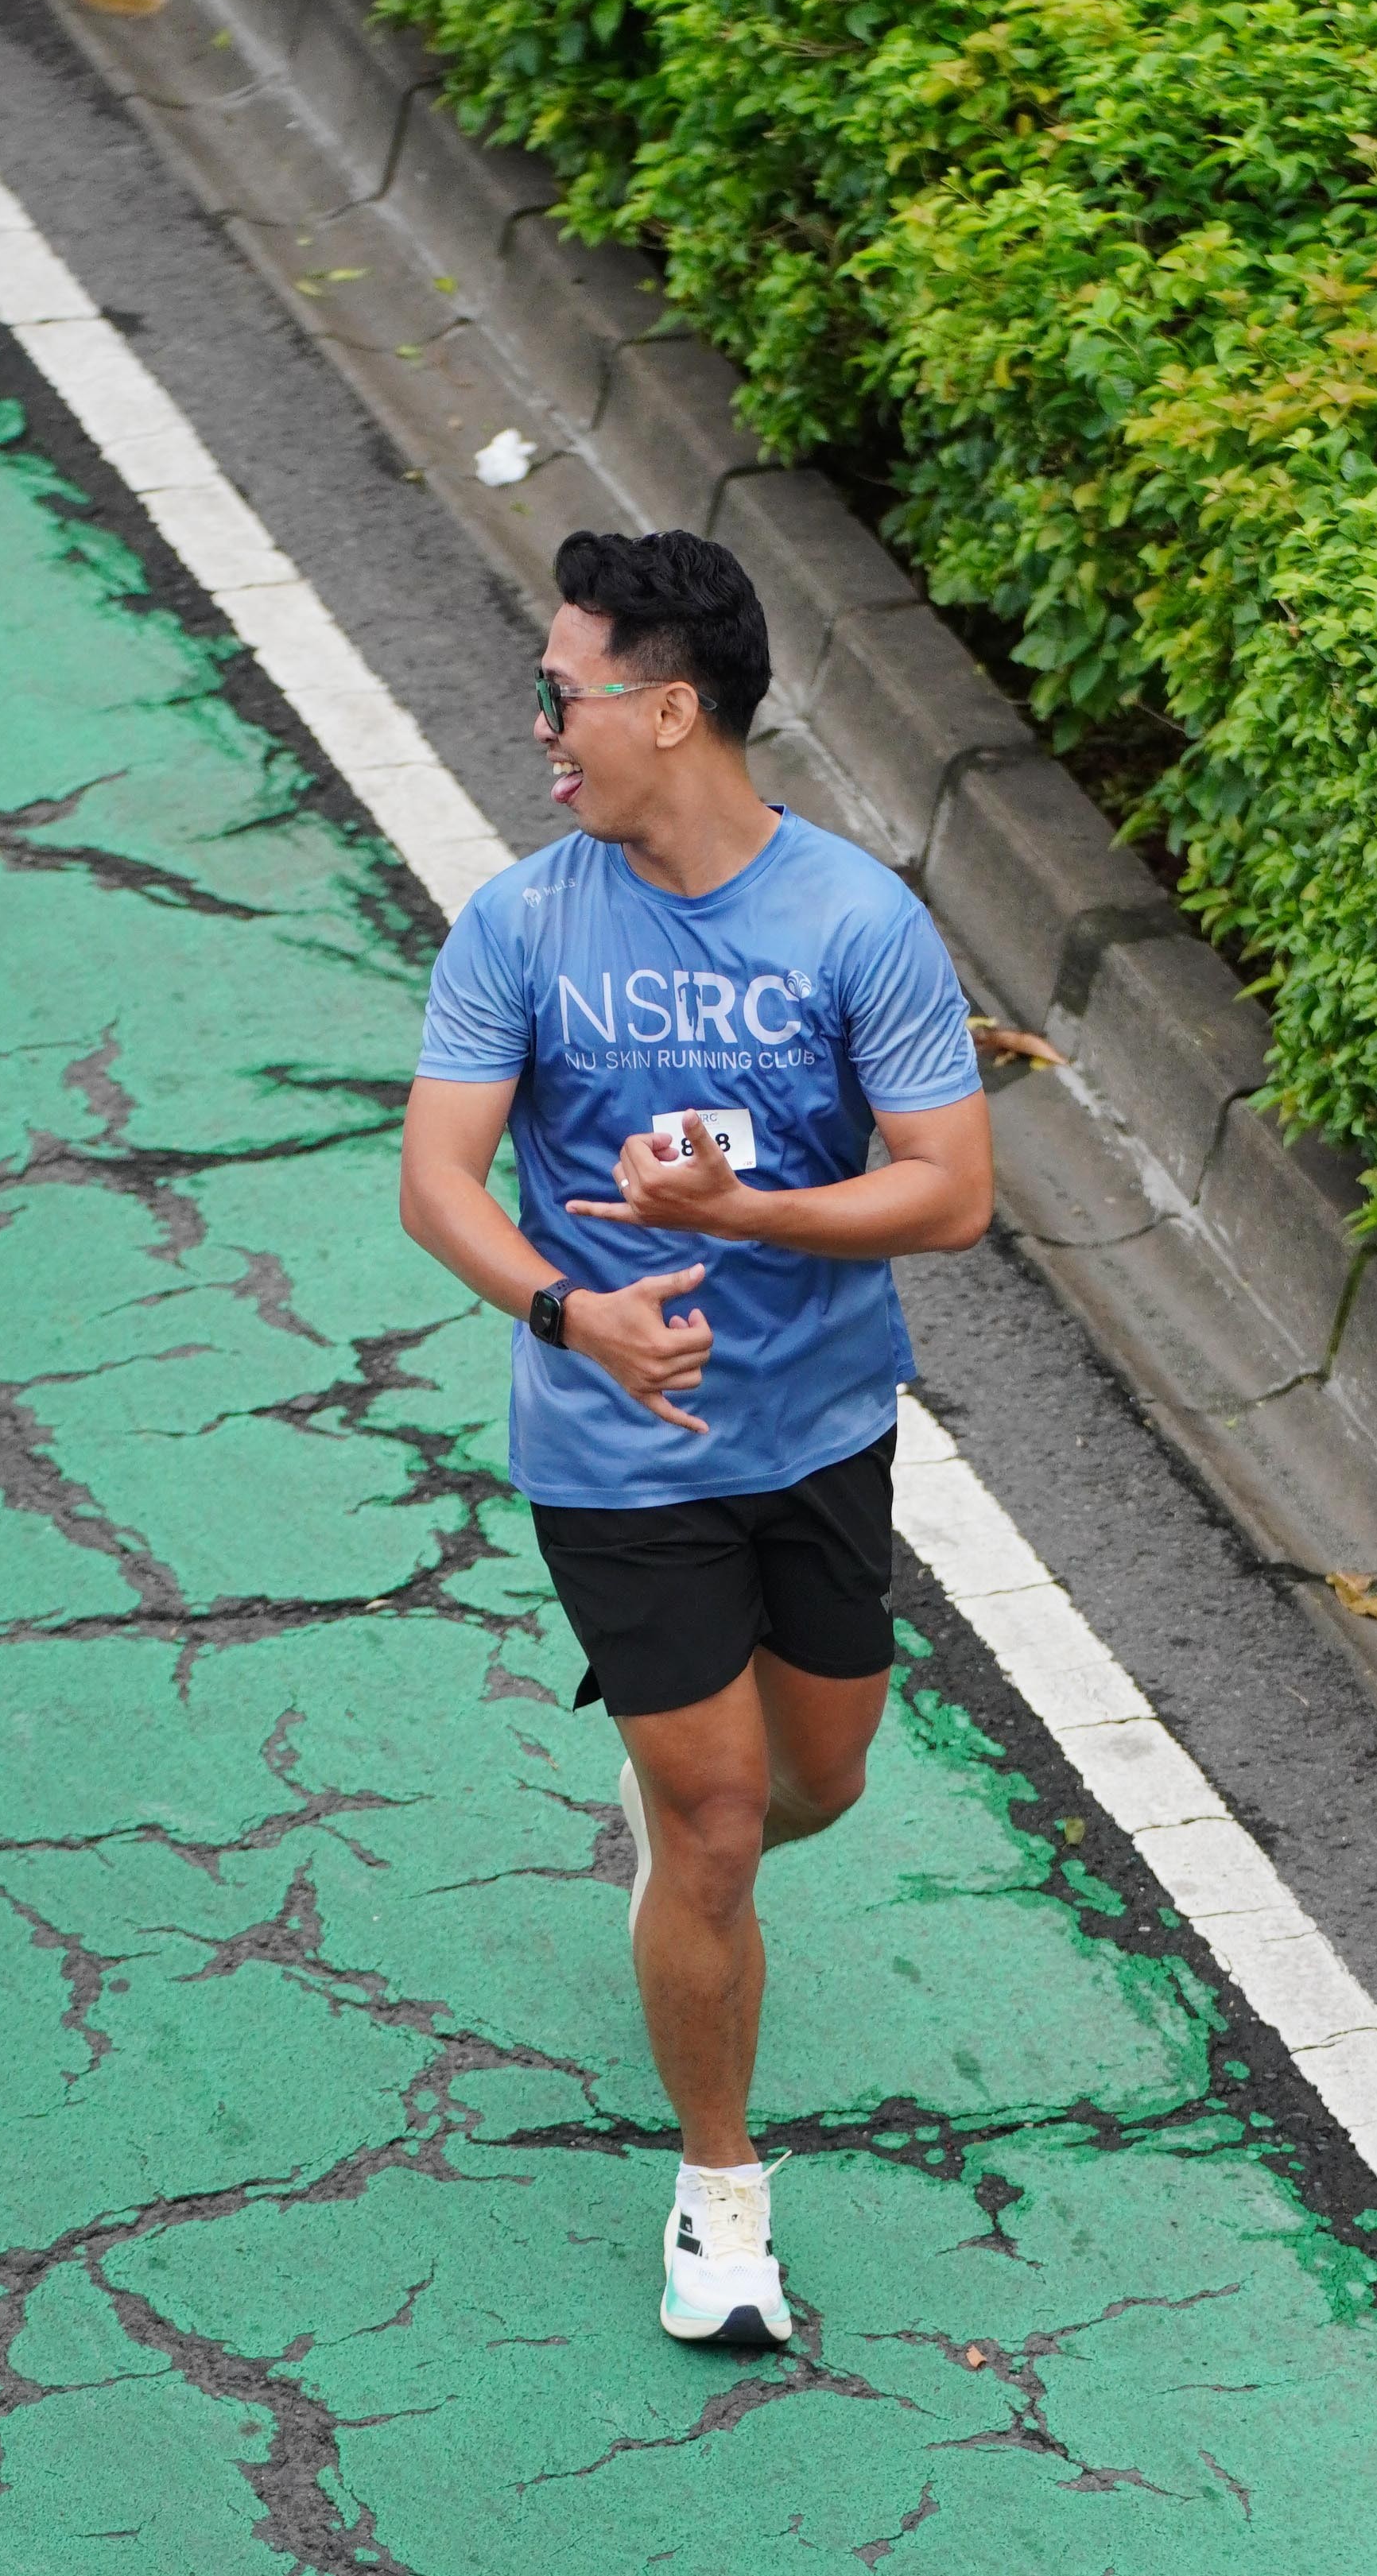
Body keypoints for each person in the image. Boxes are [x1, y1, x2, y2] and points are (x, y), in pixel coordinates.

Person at [399, 526, 991, 2348]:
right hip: (613, 1441)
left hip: (817, 1423)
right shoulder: (521, 922)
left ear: (669, 708)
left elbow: (951, 1190)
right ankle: (721, 2200)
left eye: (562, 693)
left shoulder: (856, 923)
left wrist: (745, 1216)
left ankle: (679, 1829)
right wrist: (570, 1312)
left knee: (818, 1781)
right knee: (721, 1821)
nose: (539, 726)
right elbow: (440, 1180)